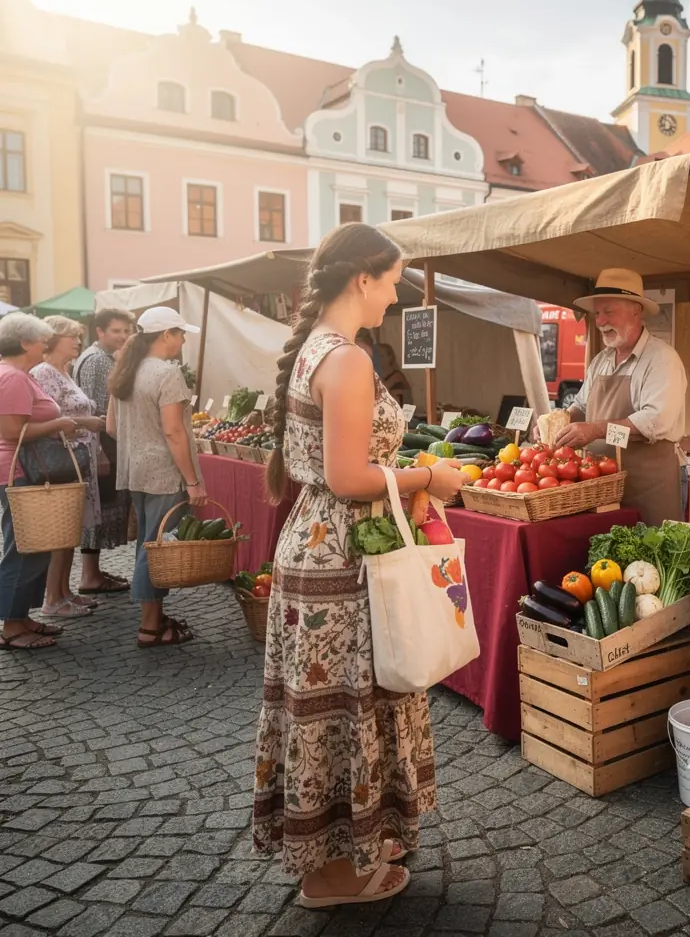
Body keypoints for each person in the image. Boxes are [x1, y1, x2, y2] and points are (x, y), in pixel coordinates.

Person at [251, 223, 465, 908]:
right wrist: (426, 476)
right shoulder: (346, 359)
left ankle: (331, 857)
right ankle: (335, 875)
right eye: (394, 279)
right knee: (346, 707)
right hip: (342, 553)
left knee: (327, 709)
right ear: (361, 279)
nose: (396, 293)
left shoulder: (318, 348)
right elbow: (349, 477)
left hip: (316, 545)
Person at [554, 267, 687, 524]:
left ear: (636, 310)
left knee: (651, 559)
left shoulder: (661, 359)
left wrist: (595, 429)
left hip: (649, 486)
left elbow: (655, 421)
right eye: (597, 313)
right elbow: (580, 405)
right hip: (601, 487)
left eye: (609, 312)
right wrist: (560, 420)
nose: (601, 321)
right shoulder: (601, 360)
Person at [106, 307, 206, 648]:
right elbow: (174, 432)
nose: (183, 339)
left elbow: (111, 427)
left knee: (148, 543)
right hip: (164, 471)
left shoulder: (127, 369)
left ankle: (154, 617)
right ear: (165, 335)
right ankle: (149, 627)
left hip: (135, 469)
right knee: (157, 546)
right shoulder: (166, 373)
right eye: (180, 333)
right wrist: (193, 481)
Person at [0, 313, 77, 649]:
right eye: (40, 340)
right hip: (18, 472)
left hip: (24, 470)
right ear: (23, 343)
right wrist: (60, 423)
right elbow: (13, 432)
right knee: (23, 548)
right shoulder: (13, 377)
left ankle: (21, 617)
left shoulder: (19, 375)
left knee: (33, 546)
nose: (46, 344)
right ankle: (12, 627)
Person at [29, 316, 106, 618]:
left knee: (70, 530)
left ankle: (64, 591)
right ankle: (53, 599)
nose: (77, 341)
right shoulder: (44, 372)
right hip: (61, 459)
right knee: (60, 532)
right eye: (72, 336)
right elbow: (45, 419)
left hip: (77, 458)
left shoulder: (66, 370)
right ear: (52, 339)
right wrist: (86, 422)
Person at [73, 307, 135, 594]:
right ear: (100, 331)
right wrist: (101, 452)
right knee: (97, 508)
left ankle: (93, 572)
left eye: (126, 331)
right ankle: (89, 576)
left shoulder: (102, 357)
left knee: (100, 508)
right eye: (116, 331)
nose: (123, 336)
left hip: (104, 440)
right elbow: (98, 409)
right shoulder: (98, 360)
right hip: (101, 442)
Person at [378, 342, 412, 407]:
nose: (379, 359)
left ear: (390, 357)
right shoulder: (378, 375)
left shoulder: (397, 376)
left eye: (381, 356)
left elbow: (381, 391)